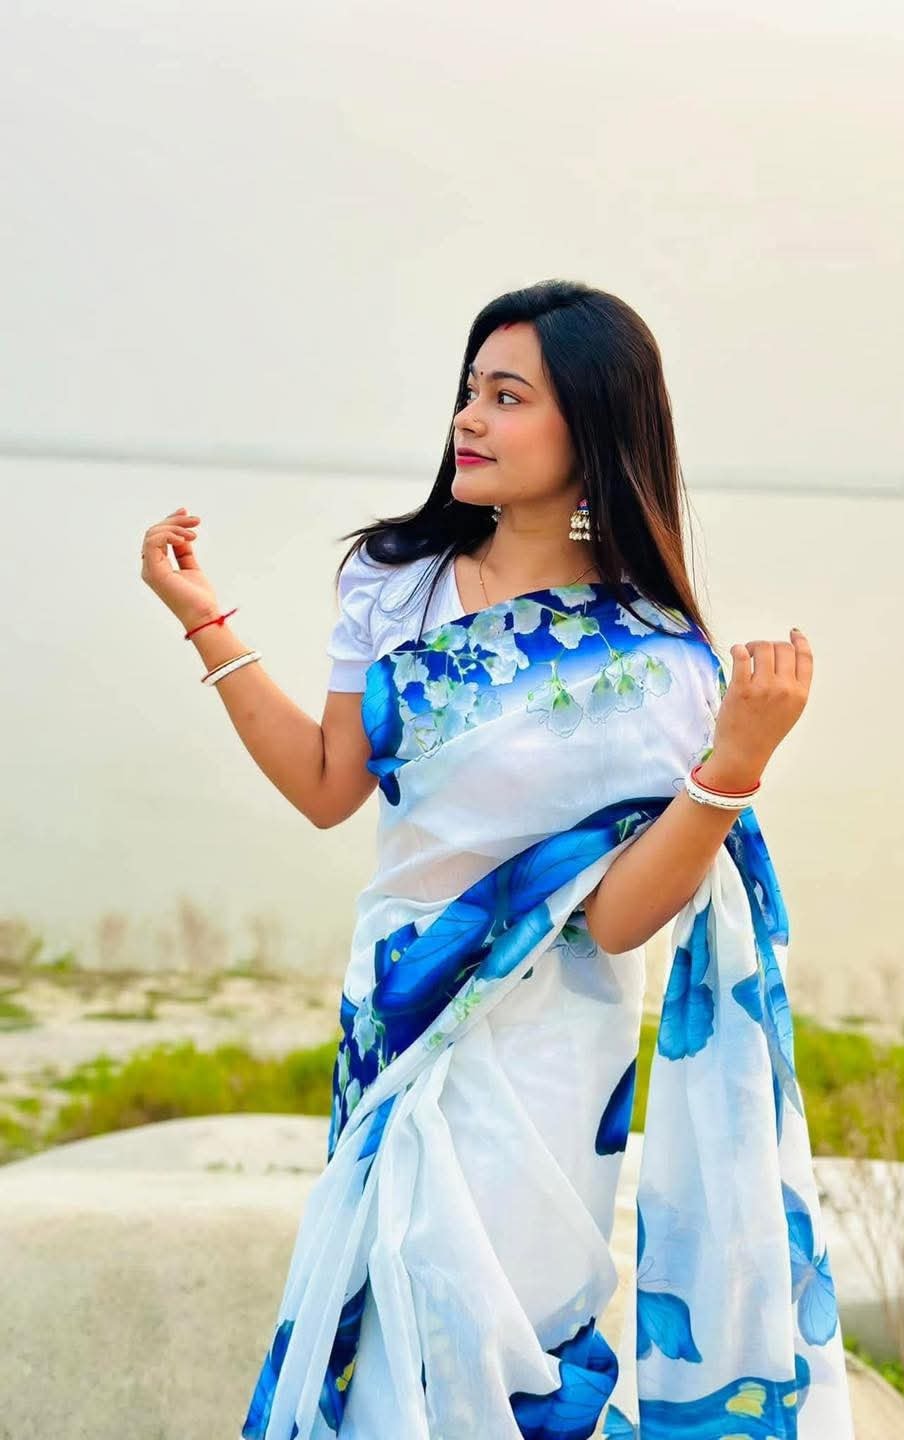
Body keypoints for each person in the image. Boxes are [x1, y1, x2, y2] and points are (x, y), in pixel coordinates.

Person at [140, 279, 853, 1440]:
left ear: (593, 428)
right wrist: (202, 618)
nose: (469, 417)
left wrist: (735, 762)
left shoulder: (655, 659)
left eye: (509, 396)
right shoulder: (396, 582)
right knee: (390, 1322)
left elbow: (616, 921)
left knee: (506, 1343)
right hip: (400, 1018)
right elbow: (325, 785)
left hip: (548, 1062)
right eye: (470, 390)